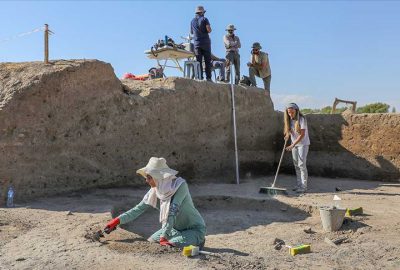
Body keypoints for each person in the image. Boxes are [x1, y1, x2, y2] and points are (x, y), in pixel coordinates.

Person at [103, 157, 206, 248]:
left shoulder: (180, 186)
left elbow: (172, 211)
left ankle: (198, 241)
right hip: (174, 230)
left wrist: (164, 236)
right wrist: (116, 221)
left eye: (149, 177)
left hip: (194, 230)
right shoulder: (155, 191)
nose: (146, 180)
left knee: (169, 246)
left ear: (158, 177)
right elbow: (137, 210)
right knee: (150, 243)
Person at [284, 103, 310, 193]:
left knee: (301, 165)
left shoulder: (302, 119)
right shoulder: (290, 120)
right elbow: (291, 132)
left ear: (296, 111)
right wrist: (287, 135)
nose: (290, 114)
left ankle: (304, 186)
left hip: (303, 144)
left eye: (292, 112)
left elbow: (302, 135)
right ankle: (299, 184)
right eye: (289, 112)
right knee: (296, 165)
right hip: (295, 144)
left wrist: (292, 145)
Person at [190, 6, 212, 81]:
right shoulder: (205, 19)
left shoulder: (192, 21)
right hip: (205, 43)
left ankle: (200, 77)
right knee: (207, 61)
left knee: (198, 61)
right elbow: (209, 30)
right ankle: (208, 78)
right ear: (202, 12)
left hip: (196, 43)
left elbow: (191, 32)